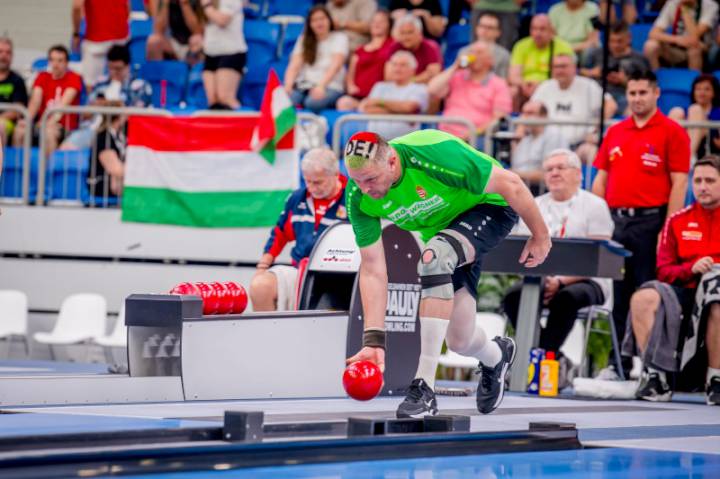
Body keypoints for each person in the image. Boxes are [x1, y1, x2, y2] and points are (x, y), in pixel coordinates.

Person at [343, 129, 551, 417]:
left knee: (434, 258)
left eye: (370, 179)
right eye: (357, 180)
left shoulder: (432, 151)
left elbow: (512, 184)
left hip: (490, 206)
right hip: (443, 233)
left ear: (391, 161)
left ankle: (424, 388)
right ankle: (496, 356)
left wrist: (540, 235)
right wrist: (374, 341)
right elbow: (372, 269)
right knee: (460, 340)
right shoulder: (357, 197)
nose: (364, 188)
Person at [592, 69, 691, 379]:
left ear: (656, 93)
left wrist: (668, 229)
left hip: (652, 221)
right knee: (619, 294)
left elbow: (679, 183)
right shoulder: (616, 131)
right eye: (632, 93)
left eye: (642, 93)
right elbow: (600, 179)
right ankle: (617, 363)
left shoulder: (673, 131)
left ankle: (650, 364)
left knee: (648, 292)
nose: (637, 99)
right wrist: (598, 219)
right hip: (616, 222)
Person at [502, 149, 613, 387]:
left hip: (587, 281)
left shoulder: (595, 205)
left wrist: (561, 281)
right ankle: (551, 358)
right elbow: (522, 251)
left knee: (566, 299)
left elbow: (598, 258)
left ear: (578, 174)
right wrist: (548, 280)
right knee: (512, 297)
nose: (554, 173)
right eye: (549, 169)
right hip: (540, 279)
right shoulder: (535, 205)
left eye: (560, 168)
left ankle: (540, 359)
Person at [626, 155, 720, 405]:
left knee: (717, 293)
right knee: (642, 297)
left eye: (710, 181)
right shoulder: (677, 220)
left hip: (715, 294)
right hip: (684, 291)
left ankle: (716, 379)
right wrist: (691, 268)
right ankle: (655, 376)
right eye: (697, 181)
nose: (702, 186)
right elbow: (664, 271)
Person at [250, 148, 348, 312]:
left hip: (339, 277)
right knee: (259, 286)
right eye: (307, 181)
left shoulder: (353, 200)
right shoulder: (296, 198)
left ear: (336, 174)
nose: (311, 188)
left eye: (317, 182)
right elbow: (279, 234)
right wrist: (262, 267)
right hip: (300, 271)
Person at [60, 45, 152, 151]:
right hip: (93, 130)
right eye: (110, 68)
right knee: (64, 149)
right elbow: (85, 115)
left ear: (127, 66)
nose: (114, 72)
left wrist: (110, 105)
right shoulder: (100, 83)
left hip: (121, 134)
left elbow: (137, 117)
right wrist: (94, 106)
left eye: (118, 69)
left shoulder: (139, 86)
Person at [428, 41, 511, 141]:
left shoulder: (499, 84)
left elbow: (499, 118)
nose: (474, 55)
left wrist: (475, 132)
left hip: (477, 139)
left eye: (479, 52)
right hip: (446, 136)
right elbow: (432, 90)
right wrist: (455, 67)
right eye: (471, 52)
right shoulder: (456, 77)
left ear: (490, 60)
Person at [530, 53, 616, 148]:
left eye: (563, 66)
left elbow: (611, 105)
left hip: (580, 144)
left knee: (590, 150)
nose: (559, 70)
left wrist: (596, 128)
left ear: (574, 68)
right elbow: (529, 110)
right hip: (547, 144)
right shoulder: (545, 86)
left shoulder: (589, 86)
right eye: (555, 67)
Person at [12, 45, 83, 158]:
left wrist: (47, 122)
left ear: (66, 63)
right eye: (52, 60)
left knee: (49, 132)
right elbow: (35, 102)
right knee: (19, 130)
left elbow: (62, 106)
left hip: (63, 127)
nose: (55, 64)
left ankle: (47, 169)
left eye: (60, 60)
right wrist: (27, 119)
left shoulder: (74, 78)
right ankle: (19, 167)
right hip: (42, 124)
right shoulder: (42, 76)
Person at [284, 5, 349, 113]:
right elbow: (294, 65)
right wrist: (288, 86)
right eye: (314, 20)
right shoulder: (303, 39)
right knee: (287, 101)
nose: (319, 23)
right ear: (309, 24)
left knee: (312, 103)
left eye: (322, 19)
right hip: (305, 85)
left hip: (330, 86)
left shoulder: (340, 37)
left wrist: (321, 86)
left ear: (329, 20)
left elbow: (336, 65)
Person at [580, 21, 650, 115]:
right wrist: (591, 73)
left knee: (635, 108)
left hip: (622, 97)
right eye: (611, 41)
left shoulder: (639, 59)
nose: (615, 45)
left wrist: (625, 81)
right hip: (596, 94)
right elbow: (579, 72)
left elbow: (647, 87)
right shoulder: (596, 53)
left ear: (629, 38)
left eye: (619, 41)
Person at [509, 14, 574, 111]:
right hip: (525, 88)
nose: (537, 33)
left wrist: (541, 86)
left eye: (542, 29)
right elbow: (513, 76)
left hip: (552, 86)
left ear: (551, 31)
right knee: (512, 91)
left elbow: (566, 74)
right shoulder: (520, 46)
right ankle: (514, 119)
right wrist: (525, 84)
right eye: (534, 29)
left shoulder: (563, 47)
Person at [358, 51, 428, 139]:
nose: (397, 69)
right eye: (394, 64)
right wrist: (404, 114)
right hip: (376, 141)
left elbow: (409, 107)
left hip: (404, 144)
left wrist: (379, 102)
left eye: (403, 65)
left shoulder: (420, 88)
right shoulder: (379, 86)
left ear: (413, 70)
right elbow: (367, 109)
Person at [336, 9, 394, 111]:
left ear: (389, 25)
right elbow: (350, 74)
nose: (377, 24)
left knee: (367, 107)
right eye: (374, 21)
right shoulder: (360, 50)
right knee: (343, 103)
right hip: (358, 95)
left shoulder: (393, 46)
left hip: (380, 97)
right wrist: (350, 86)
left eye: (381, 21)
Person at [510, 101, 568, 194]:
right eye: (523, 113)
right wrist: (517, 139)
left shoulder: (554, 136)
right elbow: (516, 165)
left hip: (543, 189)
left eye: (530, 113)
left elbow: (548, 173)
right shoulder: (525, 138)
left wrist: (515, 174)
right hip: (522, 185)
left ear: (543, 116)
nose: (524, 117)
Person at [643, 0, 719, 71]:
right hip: (676, 47)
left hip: (701, 49)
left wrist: (685, 10)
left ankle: (694, 79)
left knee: (694, 50)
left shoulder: (710, 5)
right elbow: (653, 33)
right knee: (650, 46)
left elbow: (694, 36)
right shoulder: (672, 3)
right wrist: (678, 40)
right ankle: (655, 77)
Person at [71, 0, 130, 89]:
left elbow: (77, 6)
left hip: (96, 40)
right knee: (121, 82)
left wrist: (76, 33)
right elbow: (128, 7)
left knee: (91, 84)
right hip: (120, 37)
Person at [201, 0, 247, 110]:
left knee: (225, 98)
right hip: (210, 52)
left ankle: (242, 120)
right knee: (213, 101)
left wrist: (206, 5)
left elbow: (222, 20)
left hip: (231, 52)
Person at [669, 74, 720, 161]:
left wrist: (709, 133)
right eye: (698, 89)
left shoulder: (718, 112)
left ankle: (689, 158)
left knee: (696, 109)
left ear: (714, 93)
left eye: (707, 89)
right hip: (681, 147)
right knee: (676, 111)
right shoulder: (684, 111)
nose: (702, 93)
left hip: (709, 151)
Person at [87, 101, 127, 201]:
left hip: (115, 181)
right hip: (101, 184)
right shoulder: (103, 137)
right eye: (125, 111)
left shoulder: (119, 135)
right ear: (118, 116)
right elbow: (116, 169)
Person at [388, 14, 442, 84]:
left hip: (424, 87)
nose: (406, 37)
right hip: (398, 87)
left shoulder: (430, 46)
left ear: (420, 33)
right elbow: (388, 75)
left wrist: (409, 81)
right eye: (402, 33)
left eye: (410, 32)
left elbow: (433, 74)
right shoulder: (395, 47)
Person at [146, 0, 204, 65]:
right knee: (153, 41)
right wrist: (165, 3)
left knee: (196, 39)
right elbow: (158, 30)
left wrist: (184, 4)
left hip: (195, 43)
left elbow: (198, 31)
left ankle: (193, 69)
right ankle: (157, 70)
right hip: (175, 43)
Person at [462, 12, 510, 79]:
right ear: (476, 28)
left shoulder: (503, 55)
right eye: (482, 26)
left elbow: (503, 80)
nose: (485, 30)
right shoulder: (464, 51)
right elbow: (460, 75)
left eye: (490, 27)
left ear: (498, 32)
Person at [0, 37, 28, 148]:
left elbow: (17, 110)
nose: (4, 56)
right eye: (0, 51)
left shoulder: (17, 80)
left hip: (7, 122)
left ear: (12, 56)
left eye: (8, 53)